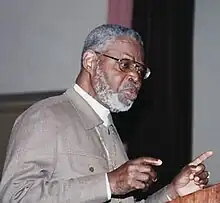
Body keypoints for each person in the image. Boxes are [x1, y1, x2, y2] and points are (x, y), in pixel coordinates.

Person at [0, 24, 212, 203]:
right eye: (125, 64)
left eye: (139, 70)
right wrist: (109, 183)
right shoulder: (46, 117)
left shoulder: (109, 129)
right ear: (90, 62)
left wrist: (173, 192)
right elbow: (14, 196)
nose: (135, 77)